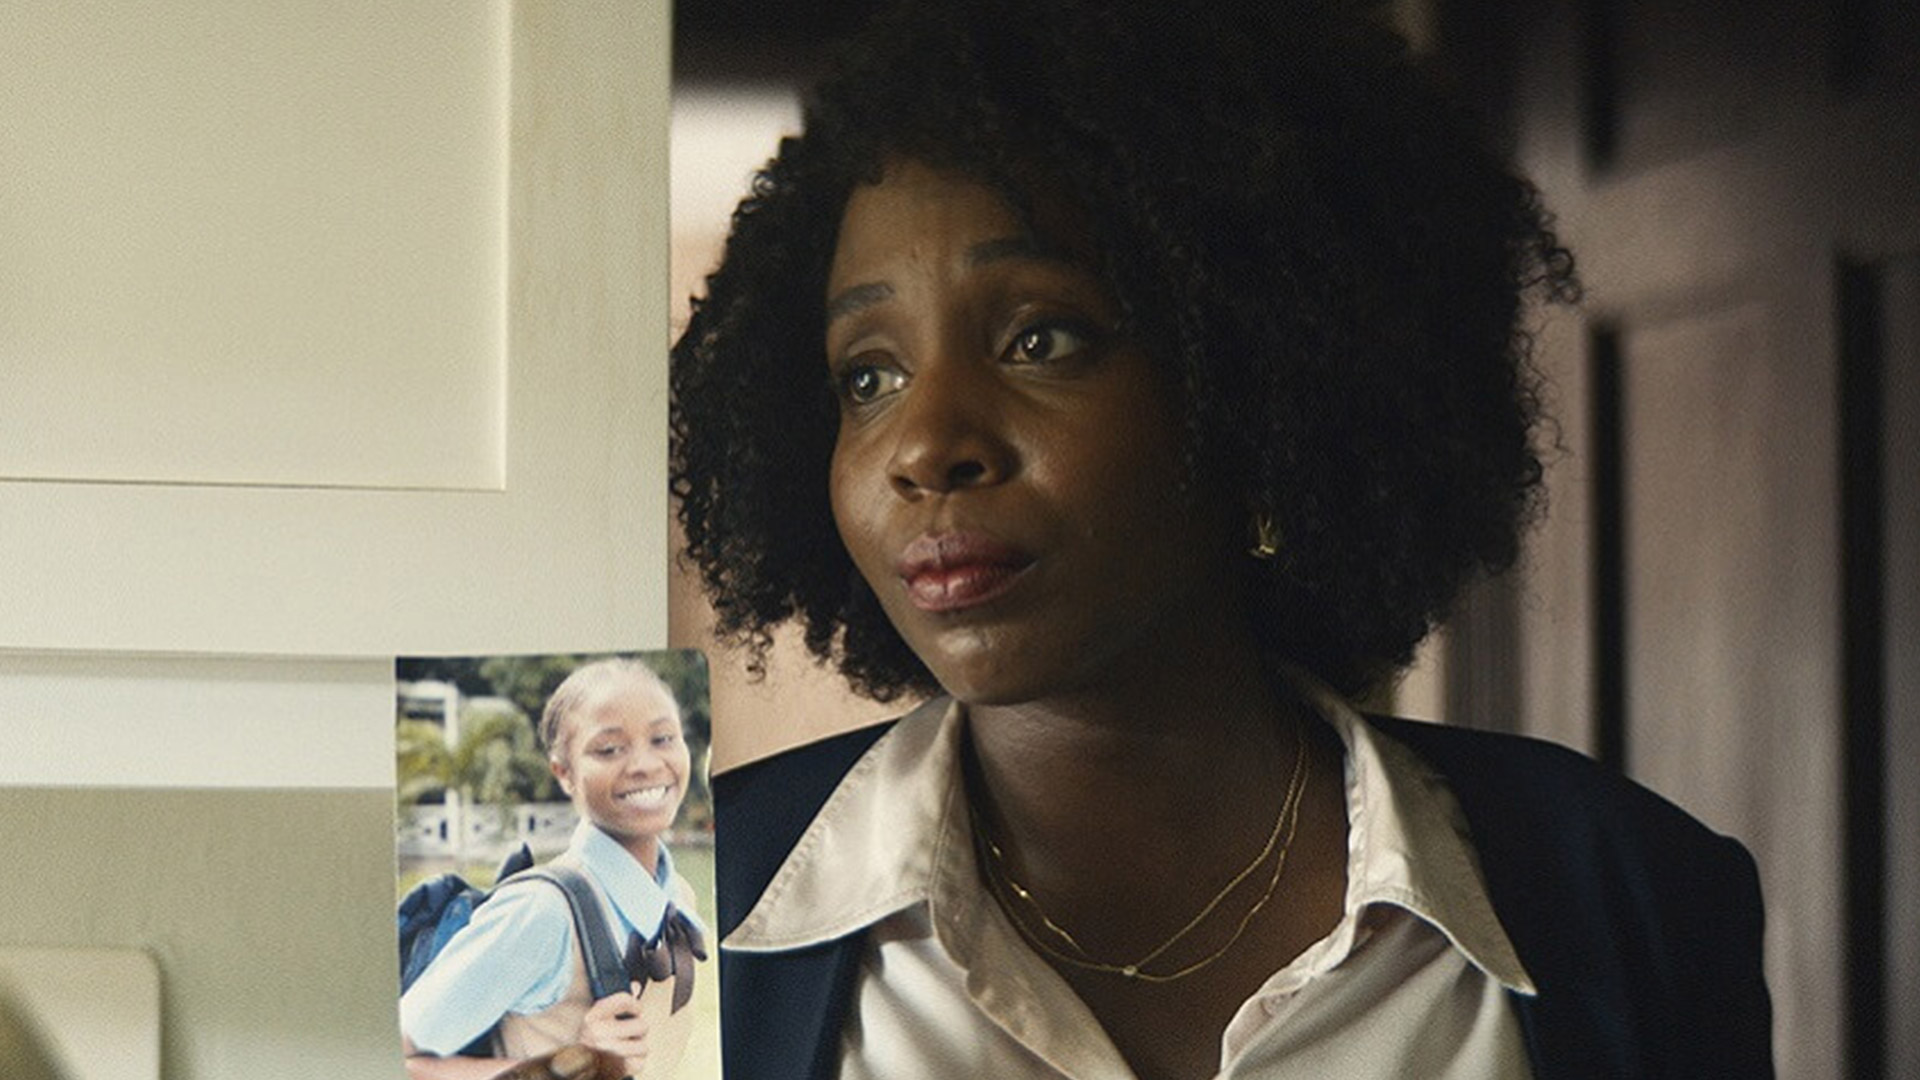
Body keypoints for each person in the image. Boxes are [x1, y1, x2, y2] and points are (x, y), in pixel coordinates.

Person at [672, 2, 1773, 1078]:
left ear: (1258, 384)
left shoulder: (1633, 894)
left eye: (1038, 339)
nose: (925, 445)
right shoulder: (687, 897)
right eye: (868, 376)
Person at [400, 658, 707, 1080]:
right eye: (610, 748)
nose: (646, 764)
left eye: (662, 737)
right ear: (564, 773)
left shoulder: (679, 897)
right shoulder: (541, 911)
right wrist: (570, 1065)